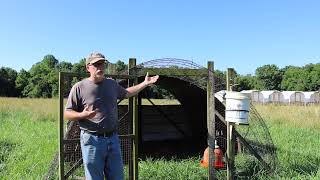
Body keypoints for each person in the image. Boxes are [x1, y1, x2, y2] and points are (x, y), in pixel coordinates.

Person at [64, 52, 159, 180]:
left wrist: (145, 84)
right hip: (92, 140)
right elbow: (67, 113)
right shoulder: (79, 87)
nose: (100, 67)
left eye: (102, 64)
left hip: (113, 138)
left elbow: (126, 93)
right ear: (88, 67)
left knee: (117, 176)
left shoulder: (111, 84)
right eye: (96, 64)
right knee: (94, 177)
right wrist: (82, 114)